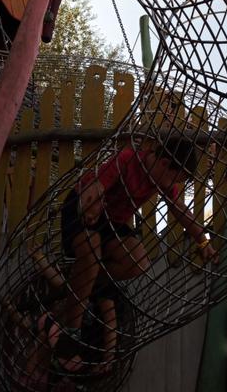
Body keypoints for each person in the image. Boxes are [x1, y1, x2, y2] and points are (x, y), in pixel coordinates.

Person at [48, 135, 218, 371]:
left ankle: (82, 285)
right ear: (164, 163)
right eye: (174, 178)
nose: (172, 185)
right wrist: (91, 204)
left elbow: (180, 209)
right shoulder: (128, 159)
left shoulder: (162, 180)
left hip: (112, 224)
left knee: (138, 261)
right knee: (91, 250)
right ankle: (71, 332)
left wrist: (202, 241)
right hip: (84, 208)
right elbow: (98, 184)